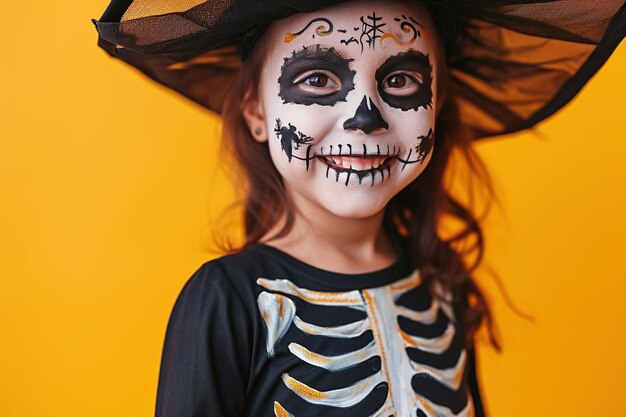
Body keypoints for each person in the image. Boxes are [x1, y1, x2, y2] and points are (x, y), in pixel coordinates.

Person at [92, 1, 626, 416]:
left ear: (436, 105)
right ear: (256, 109)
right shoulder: (229, 300)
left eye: (400, 80)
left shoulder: (440, 288)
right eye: (318, 79)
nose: (364, 118)